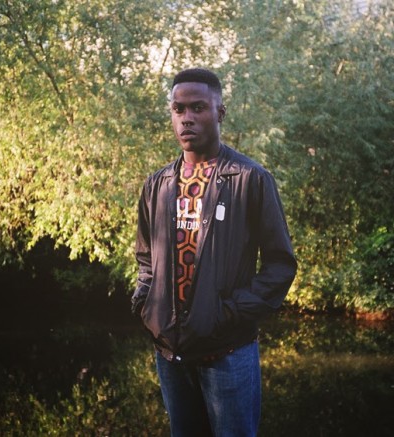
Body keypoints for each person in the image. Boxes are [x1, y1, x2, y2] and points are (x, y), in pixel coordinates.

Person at [131, 67, 297, 437]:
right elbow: (145, 257)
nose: (186, 118)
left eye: (198, 107)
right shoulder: (157, 184)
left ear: (220, 113)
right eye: (178, 109)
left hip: (228, 352)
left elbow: (280, 266)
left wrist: (229, 313)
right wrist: (146, 304)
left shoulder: (250, 179)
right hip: (170, 352)